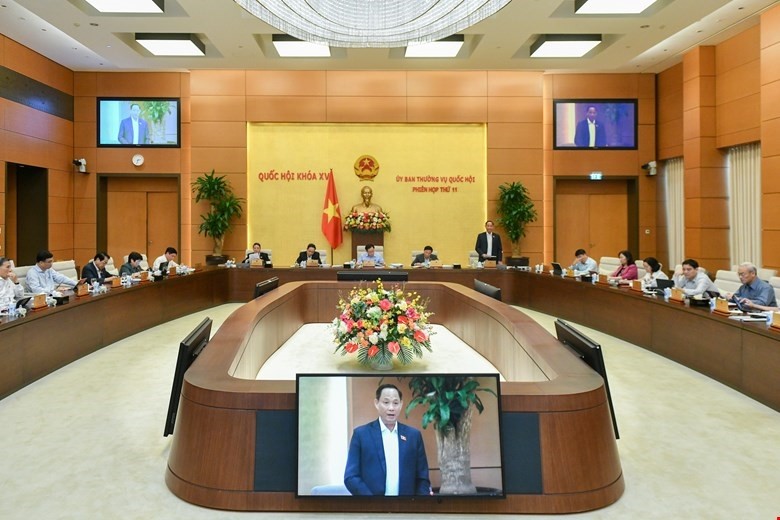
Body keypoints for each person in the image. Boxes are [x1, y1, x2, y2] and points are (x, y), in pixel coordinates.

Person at [344, 383, 431, 496]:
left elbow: (422, 478)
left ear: (401, 405)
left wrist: (418, 503)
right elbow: (351, 477)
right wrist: (371, 502)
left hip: (406, 505)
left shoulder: (413, 436)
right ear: (376, 403)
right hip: (371, 505)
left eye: (395, 403)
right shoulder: (361, 435)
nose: (391, 408)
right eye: (386, 402)